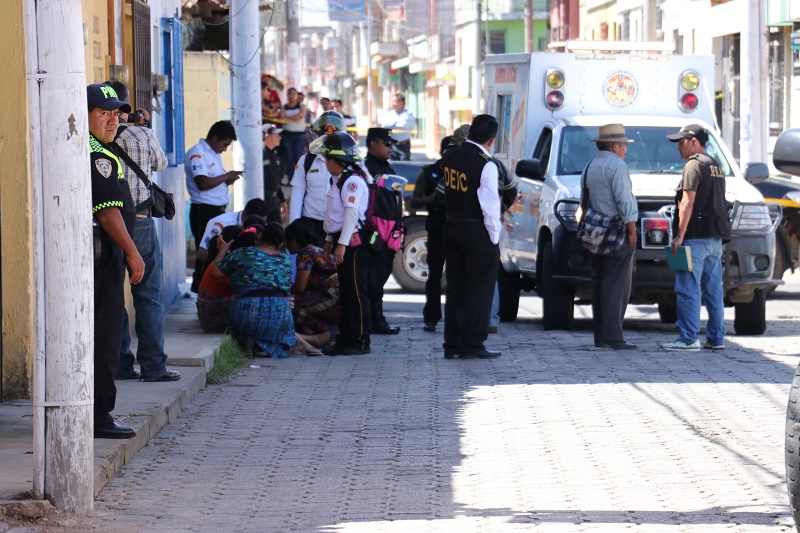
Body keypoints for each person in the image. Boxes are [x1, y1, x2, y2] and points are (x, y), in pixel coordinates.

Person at [102, 80, 181, 383]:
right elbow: (160, 164)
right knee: (148, 295)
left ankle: (121, 364)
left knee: (112, 297)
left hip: (107, 226)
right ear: (127, 108)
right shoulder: (142, 133)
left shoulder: (95, 140)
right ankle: (153, 366)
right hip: (141, 222)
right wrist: (146, 126)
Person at [86, 83, 144, 438]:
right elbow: (108, 214)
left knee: (105, 332)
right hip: (105, 254)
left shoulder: (103, 149)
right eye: (103, 113)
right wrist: (132, 252)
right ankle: (98, 416)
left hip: (104, 254)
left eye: (115, 113)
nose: (112, 120)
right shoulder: (100, 157)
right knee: (105, 335)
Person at [662, 124, 730, 351]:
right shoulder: (715, 165)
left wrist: (679, 235)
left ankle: (688, 337)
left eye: (681, 142)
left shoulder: (693, 165)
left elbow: (687, 202)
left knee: (688, 289)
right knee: (713, 291)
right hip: (715, 238)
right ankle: (717, 339)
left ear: (694, 141)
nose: (678, 148)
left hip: (696, 238)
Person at [440, 115, 502, 359]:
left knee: (455, 289)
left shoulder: (450, 155)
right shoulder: (486, 163)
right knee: (479, 290)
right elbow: (490, 206)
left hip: (452, 226)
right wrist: (493, 239)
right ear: (491, 139)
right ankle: (473, 344)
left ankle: (452, 345)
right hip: (476, 230)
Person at [316, 132, 374, 356]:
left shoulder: (351, 182)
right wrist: (330, 241)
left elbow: (351, 216)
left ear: (335, 160)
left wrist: (341, 244)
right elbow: (335, 215)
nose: (325, 163)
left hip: (353, 243)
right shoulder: (339, 181)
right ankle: (346, 338)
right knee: (346, 292)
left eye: (327, 159)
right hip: (342, 239)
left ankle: (359, 341)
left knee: (356, 293)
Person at [583, 124, 638, 350]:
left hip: (595, 233)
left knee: (600, 283)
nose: (626, 149)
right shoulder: (617, 166)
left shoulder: (590, 166)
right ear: (615, 146)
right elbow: (625, 202)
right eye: (624, 145)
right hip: (617, 232)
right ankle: (613, 336)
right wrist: (632, 231)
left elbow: (583, 200)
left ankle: (601, 335)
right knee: (617, 284)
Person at [213, 223, 297, 358]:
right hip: (278, 317)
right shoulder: (285, 260)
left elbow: (216, 272)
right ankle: (264, 344)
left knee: (237, 312)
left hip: (245, 315)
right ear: (281, 244)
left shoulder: (243, 253)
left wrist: (223, 249)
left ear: (259, 236)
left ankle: (250, 340)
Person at [186, 120, 242, 292]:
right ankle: (201, 288)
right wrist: (226, 177)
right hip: (204, 209)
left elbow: (212, 180)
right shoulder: (198, 154)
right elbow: (202, 182)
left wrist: (227, 179)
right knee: (206, 252)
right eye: (224, 144)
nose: (224, 149)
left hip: (216, 209)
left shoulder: (213, 154)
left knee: (213, 250)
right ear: (215, 138)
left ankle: (204, 289)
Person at [363, 127, 402, 335]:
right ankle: (373, 319)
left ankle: (376, 317)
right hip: (374, 232)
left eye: (391, 144)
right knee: (373, 278)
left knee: (381, 276)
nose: (390, 147)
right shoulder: (366, 168)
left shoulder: (387, 167)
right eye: (386, 144)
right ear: (373, 144)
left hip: (390, 232)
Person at [412, 135, 451, 332]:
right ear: (443, 152)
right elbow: (414, 200)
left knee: (456, 276)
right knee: (435, 275)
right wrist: (432, 198)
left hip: (457, 229)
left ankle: (455, 317)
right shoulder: (429, 172)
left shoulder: (461, 172)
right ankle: (432, 317)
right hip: (436, 228)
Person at [290, 111, 348, 242]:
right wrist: (294, 229)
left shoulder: (351, 163)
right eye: (324, 135)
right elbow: (297, 197)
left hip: (339, 226)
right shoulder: (305, 161)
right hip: (310, 225)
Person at [285, 220, 341, 347]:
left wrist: (284, 289)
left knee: (289, 303)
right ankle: (330, 333)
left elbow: (299, 288)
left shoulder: (305, 253)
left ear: (292, 242)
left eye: (286, 241)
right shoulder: (317, 249)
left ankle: (324, 334)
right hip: (338, 299)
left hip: (331, 300)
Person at [194, 198, 270, 282]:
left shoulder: (262, 227)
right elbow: (202, 254)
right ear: (244, 215)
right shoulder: (221, 223)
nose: (258, 226)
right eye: (254, 223)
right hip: (218, 276)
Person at [196, 224, 240, 333]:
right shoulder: (226, 265)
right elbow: (242, 289)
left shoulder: (222, 261)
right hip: (214, 321)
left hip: (212, 318)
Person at [281, 87, 309, 179]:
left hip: (299, 135)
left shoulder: (301, 105)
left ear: (296, 95)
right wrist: (294, 118)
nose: (291, 96)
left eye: (294, 93)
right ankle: (291, 178)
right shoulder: (284, 106)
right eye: (290, 93)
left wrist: (288, 119)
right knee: (289, 157)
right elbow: (282, 119)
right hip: (287, 135)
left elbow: (301, 116)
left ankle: (300, 178)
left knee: (298, 157)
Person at [262, 124, 286, 223]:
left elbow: (276, 180)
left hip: (274, 201)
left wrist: (282, 200)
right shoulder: (260, 154)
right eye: (276, 135)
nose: (279, 138)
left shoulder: (274, 155)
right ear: (267, 136)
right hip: (263, 201)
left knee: (277, 232)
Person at [381, 93, 415, 160]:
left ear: (402, 103)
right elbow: (384, 125)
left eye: (395, 102)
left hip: (404, 146)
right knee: (391, 168)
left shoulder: (408, 114)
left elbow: (401, 126)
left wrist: (391, 123)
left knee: (404, 168)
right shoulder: (390, 114)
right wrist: (397, 121)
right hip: (392, 146)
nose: (393, 104)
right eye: (392, 101)